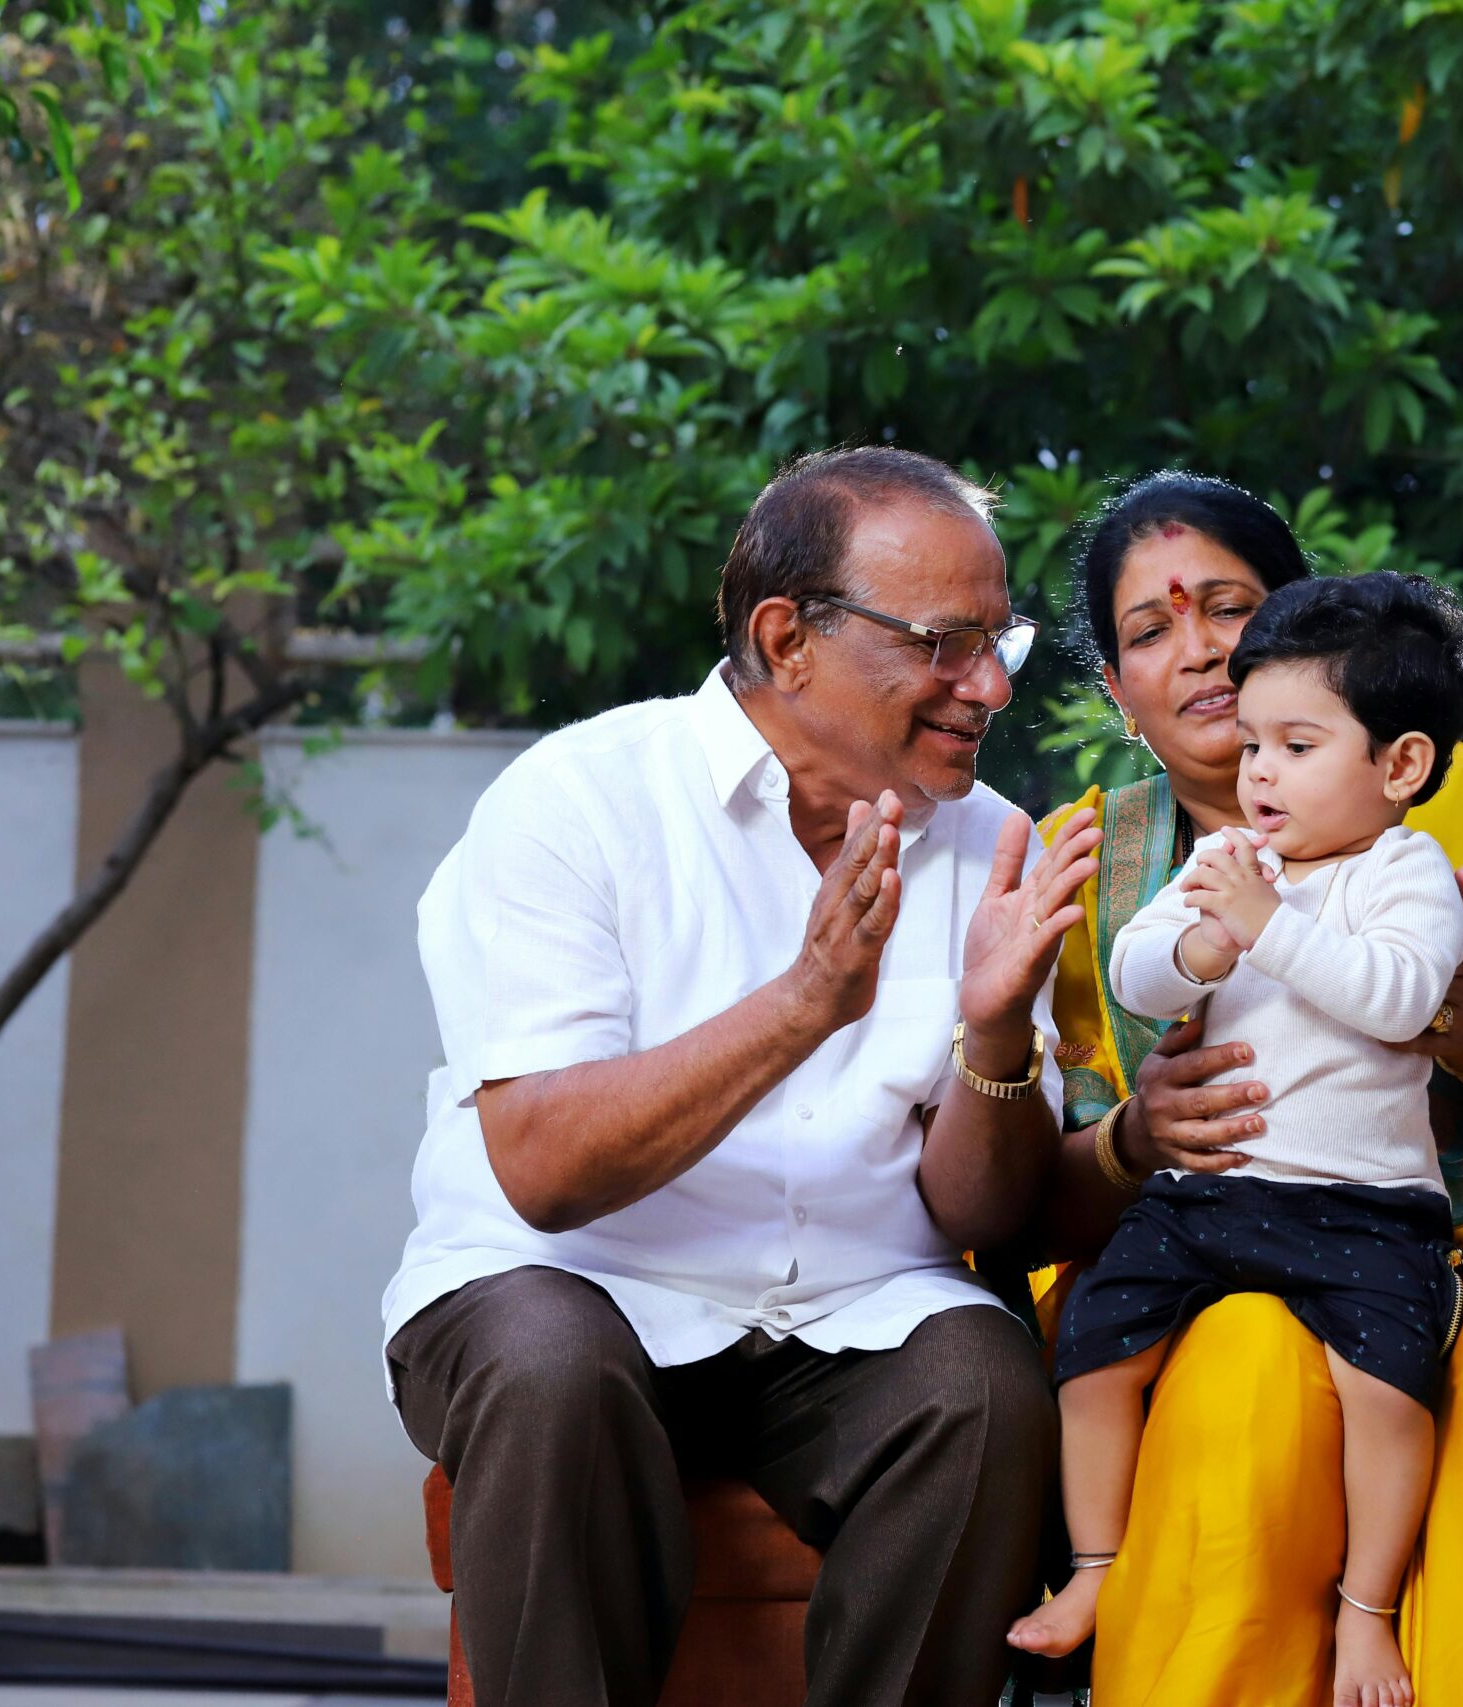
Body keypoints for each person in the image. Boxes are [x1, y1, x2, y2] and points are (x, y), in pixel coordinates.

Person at [378, 447, 1104, 1707]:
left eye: (1001, 642)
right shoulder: (577, 801)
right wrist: (806, 1003)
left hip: (848, 1312)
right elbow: (544, 1173)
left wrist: (993, 1043)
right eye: (942, 643)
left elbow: (984, 1219)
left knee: (982, 1383)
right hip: (566, 1286)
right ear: (787, 638)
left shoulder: (990, 842)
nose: (986, 686)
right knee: (552, 1368)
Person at [1028, 471, 1463, 1704]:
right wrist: (1137, 1138)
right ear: (1116, 696)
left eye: (1231, 606)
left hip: (1455, 1220)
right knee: (1237, 1395)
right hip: (1194, 1243)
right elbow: (1019, 1198)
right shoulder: (1083, 866)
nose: (1197, 649)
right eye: (1149, 630)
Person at [1012, 573, 1463, 1707]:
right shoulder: (1231, 863)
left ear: (1400, 766)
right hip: (1209, 1199)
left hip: (1363, 1204)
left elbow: (1404, 997)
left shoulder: (1401, 873)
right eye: (1254, 744)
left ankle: (1365, 1613)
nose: (1259, 771)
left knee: (1387, 1391)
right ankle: (1094, 1568)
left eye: (1297, 744)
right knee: (1092, 1350)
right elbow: (1137, 971)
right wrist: (1197, 954)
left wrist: (1265, 933)